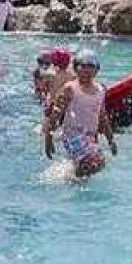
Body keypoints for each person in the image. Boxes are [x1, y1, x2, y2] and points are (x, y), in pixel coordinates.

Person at [44, 48, 117, 177]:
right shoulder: (71, 88)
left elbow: (102, 116)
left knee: (95, 165)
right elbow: (56, 113)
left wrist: (111, 140)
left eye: (91, 66)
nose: (86, 70)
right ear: (76, 68)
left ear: (97, 69)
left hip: (90, 136)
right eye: (82, 66)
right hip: (72, 134)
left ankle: (70, 179)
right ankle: (74, 179)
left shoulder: (100, 89)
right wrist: (48, 139)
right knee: (93, 162)